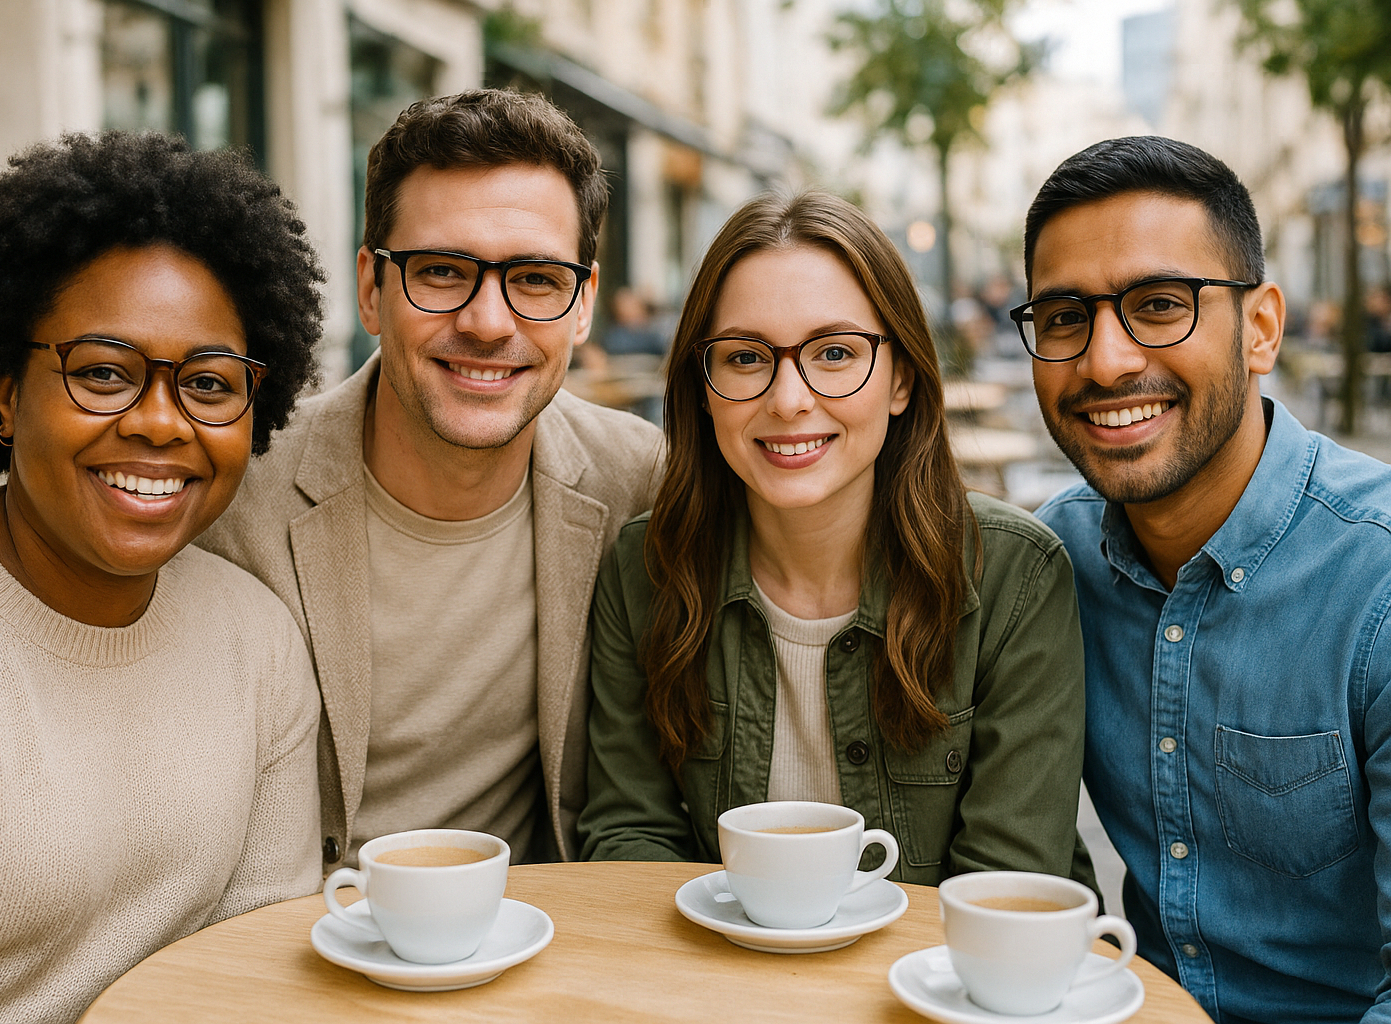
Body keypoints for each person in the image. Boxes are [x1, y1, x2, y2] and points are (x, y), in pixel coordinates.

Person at [0, 132, 326, 1024]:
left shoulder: (256, 638)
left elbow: (260, 965)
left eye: (210, 384)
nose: (160, 423)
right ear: (5, 393)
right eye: (103, 373)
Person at [199, 89, 664, 870]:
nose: (488, 321)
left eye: (536, 280)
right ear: (371, 289)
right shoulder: (236, 497)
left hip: (527, 950)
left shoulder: (637, 481)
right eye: (442, 271)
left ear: (583, 305)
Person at [580, 190, 1094, 890]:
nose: (789, 399)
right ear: (703, 387)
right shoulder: (647, 571)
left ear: (901, 379)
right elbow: (628, 835)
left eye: (834, 352)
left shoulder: (1015, 578)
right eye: (744, 357)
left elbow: (1004, 891)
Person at [1024, 136, 1389, 1024]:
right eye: (1066, 317)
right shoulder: (1047, 564)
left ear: (1260, 328)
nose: (1105, 362)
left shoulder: (1376, 581)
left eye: (1159, 305)